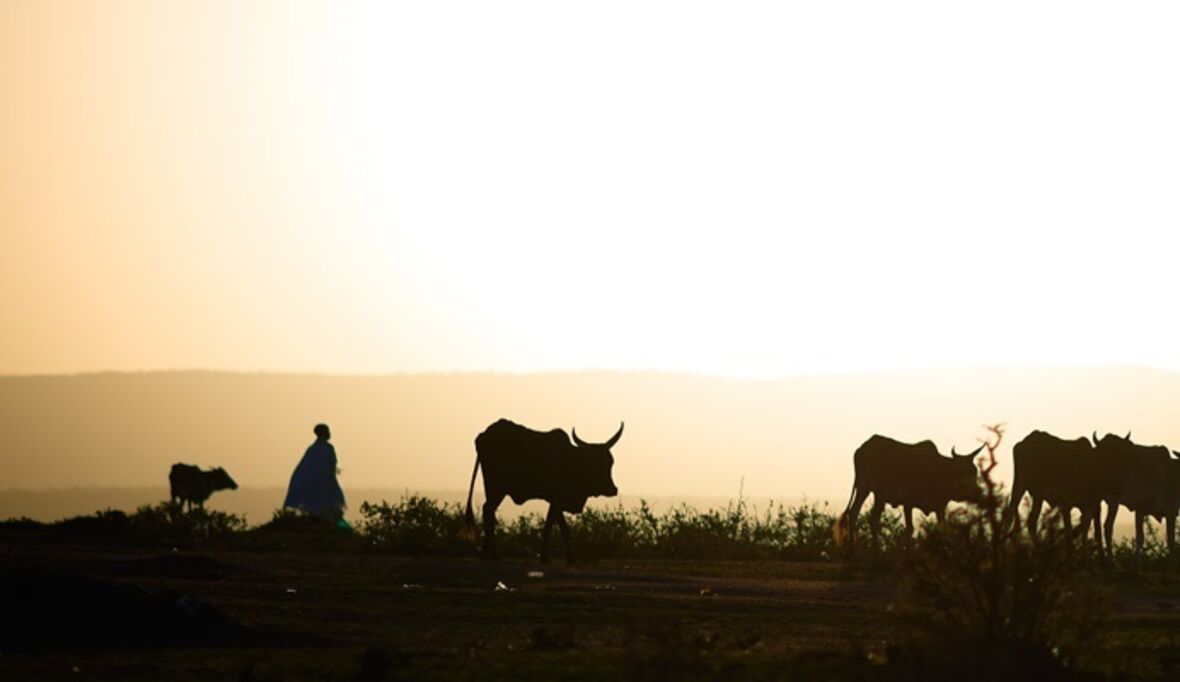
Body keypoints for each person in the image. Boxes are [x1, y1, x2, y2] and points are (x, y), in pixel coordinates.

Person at [284, 423, 347, 523]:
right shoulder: (327, 449)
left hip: (319, 486)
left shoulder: (313, 449)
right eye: (328, 431)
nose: (330, 433)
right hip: (324, 486)